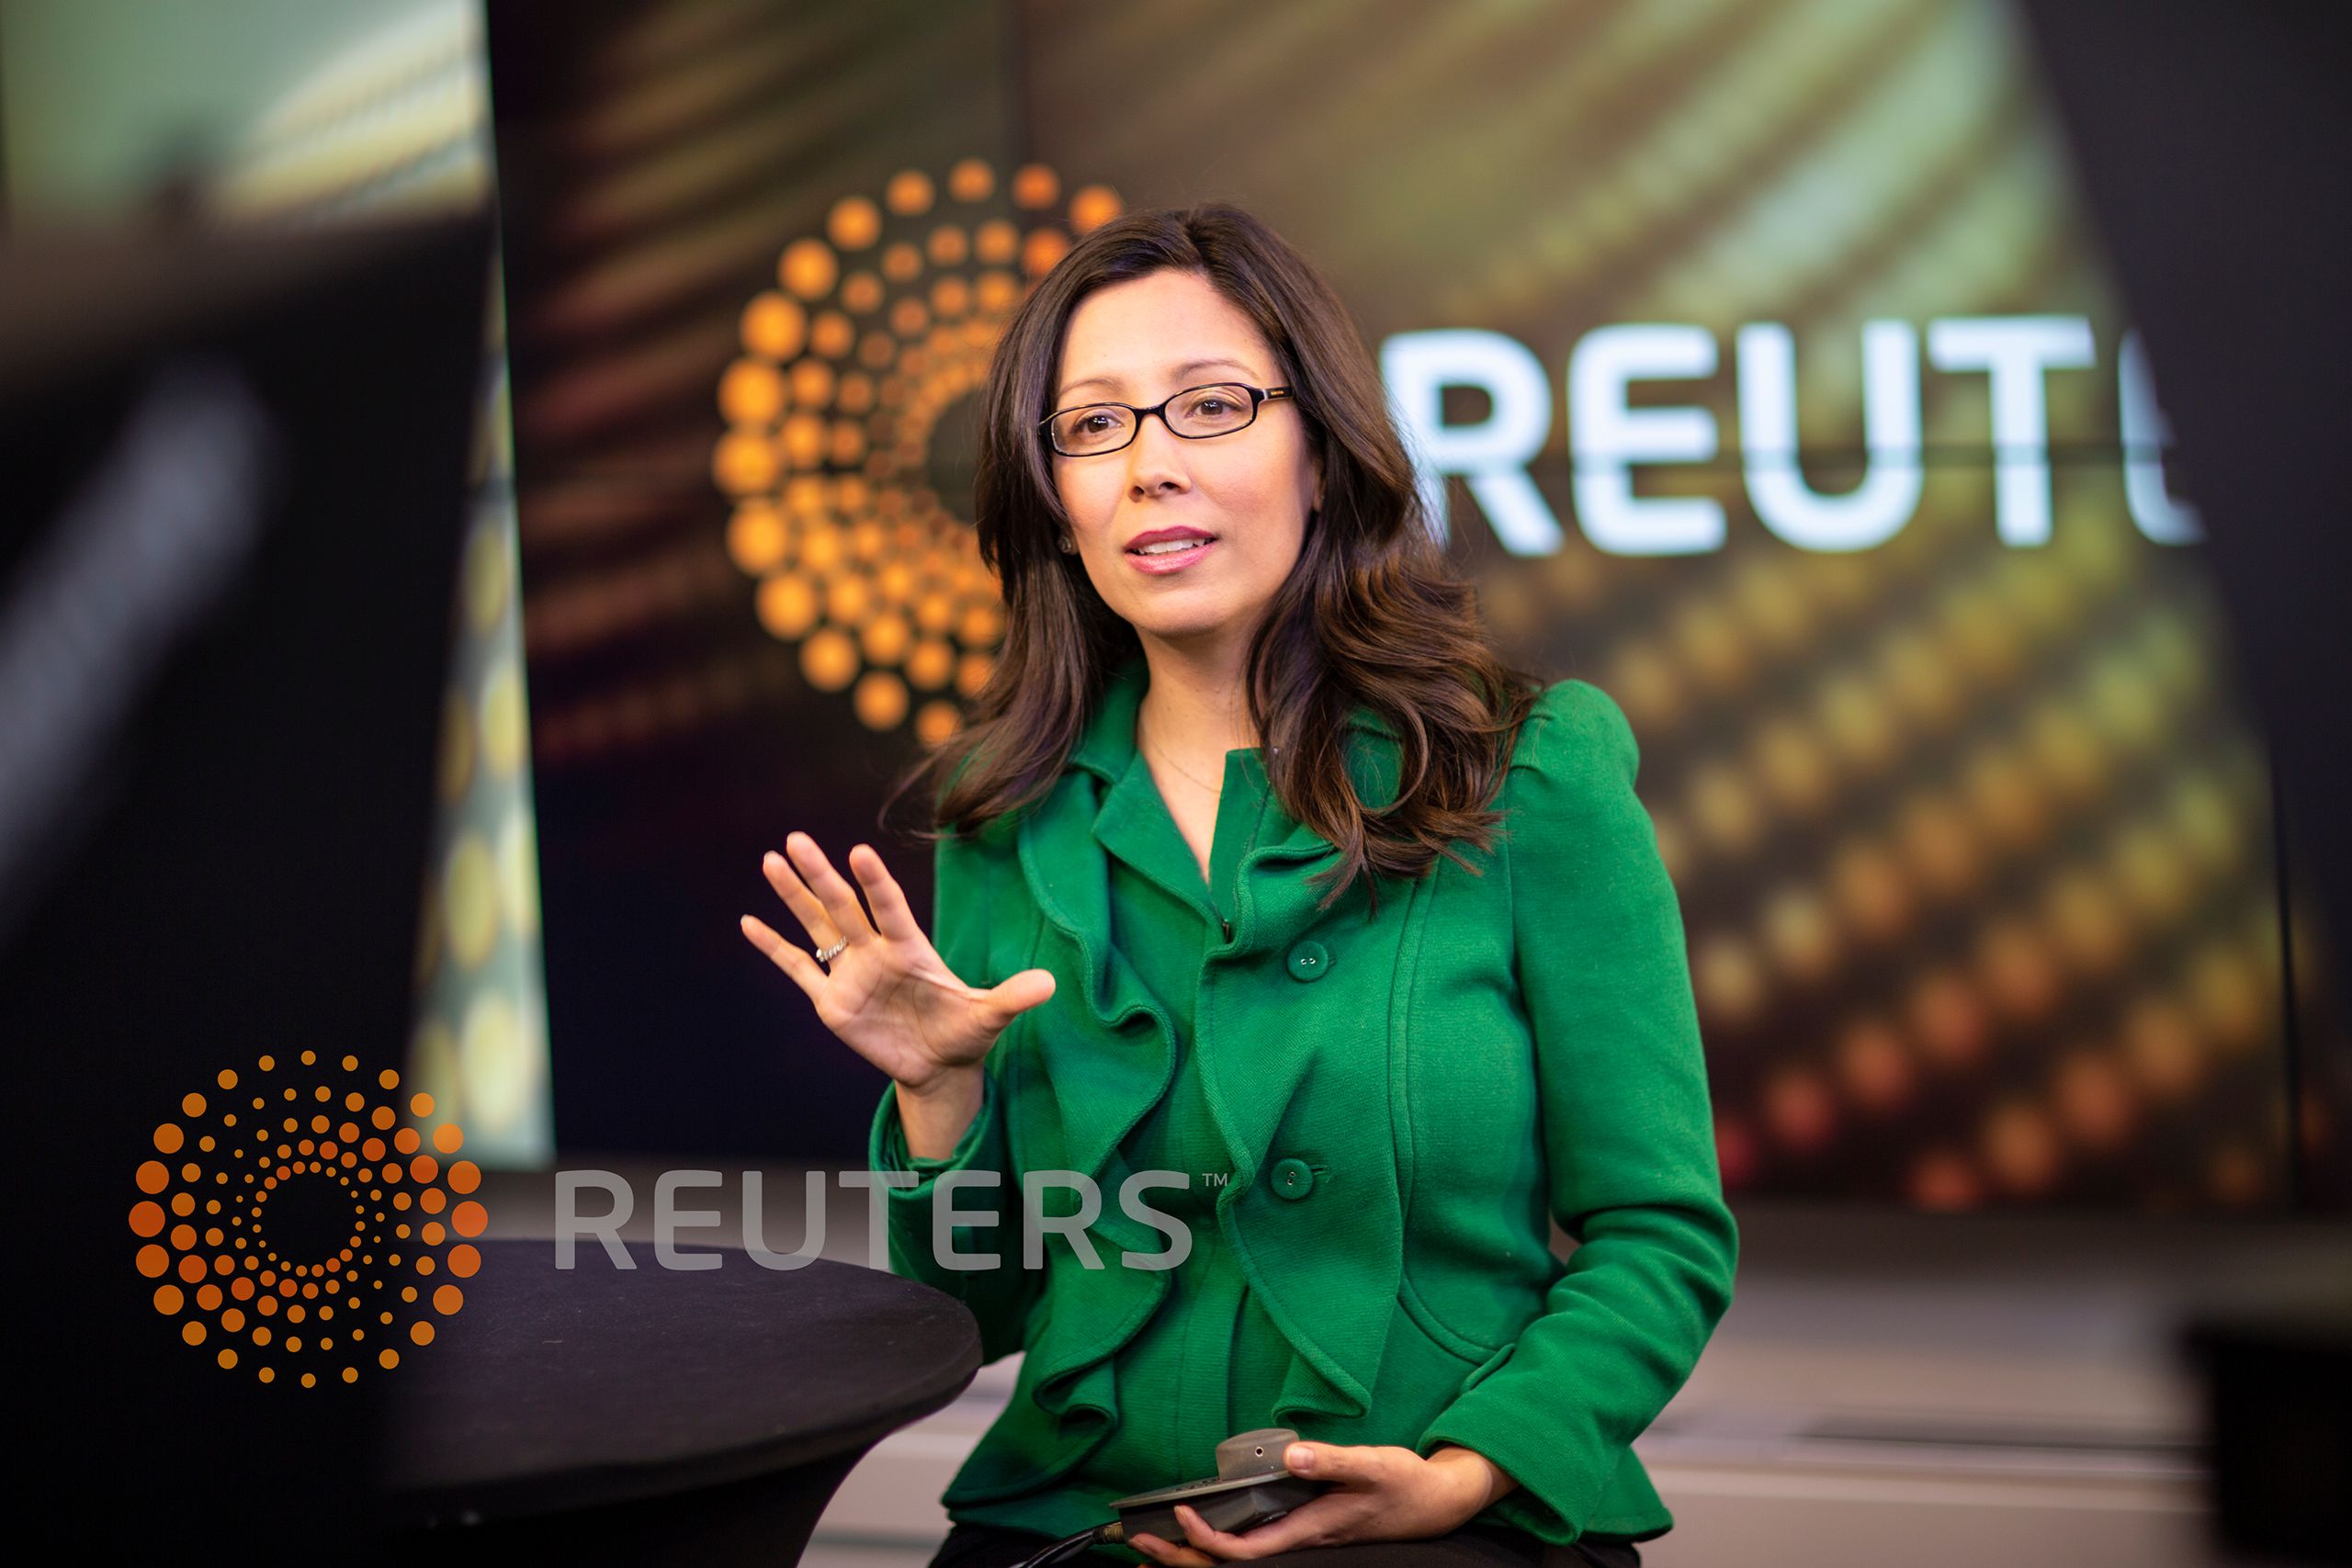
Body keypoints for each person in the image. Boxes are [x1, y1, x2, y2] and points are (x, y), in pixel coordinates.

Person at [740, 202, 1736, 1566]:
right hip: (1084, 1530)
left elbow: (1660, 1234)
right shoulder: (1003, 816)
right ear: (1056, 497)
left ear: (1321, 452)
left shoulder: (1531, 769)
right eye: (1093, 427)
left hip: (1442, 1522)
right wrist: (938, 1097)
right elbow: (980, 1307)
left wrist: (1463, 1473)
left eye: (1208, 406)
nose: (1149, 466)